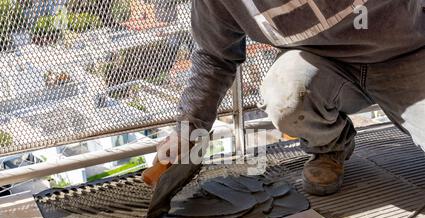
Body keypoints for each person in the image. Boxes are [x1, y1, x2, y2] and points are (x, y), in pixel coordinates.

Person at [156, 0, 425, 196]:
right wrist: (187, 130)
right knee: (285, 97)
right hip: (322, 66)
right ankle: (330, 147)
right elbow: (214, 57)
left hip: (407, 54)